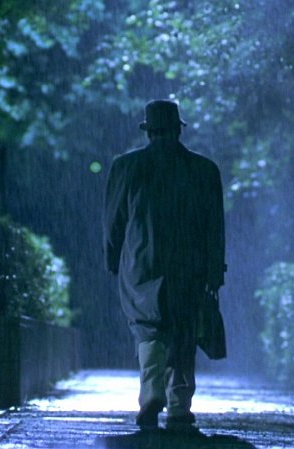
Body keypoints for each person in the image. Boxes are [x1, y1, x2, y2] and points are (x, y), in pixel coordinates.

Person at [103, 99, 227, 432]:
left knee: (147, 325)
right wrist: (215, 270)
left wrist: (112, 258)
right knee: (183, 328)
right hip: (188, 264)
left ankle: (151, 391)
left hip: (141, 261)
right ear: (178, 129)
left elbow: (113, 221)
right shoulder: (203, 170)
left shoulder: (126, 167)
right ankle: (179, 404)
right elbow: (214, 227)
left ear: (148, 131)